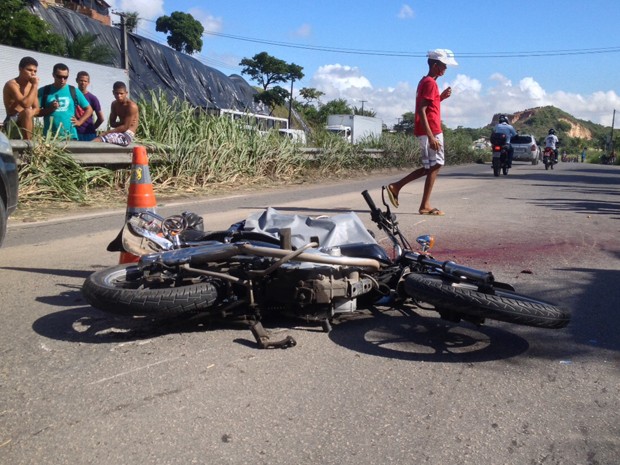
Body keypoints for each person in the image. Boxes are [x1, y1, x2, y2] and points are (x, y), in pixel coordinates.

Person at [384, 49, 458, 216]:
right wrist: (431, 136)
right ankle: (419, 201)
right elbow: (422, 110)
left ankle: (399, 188)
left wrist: (441, 97)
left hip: (428, 130)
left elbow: (428, 106)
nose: (445, 68)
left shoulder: (426, 81)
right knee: (435, 165)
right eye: (444, 65)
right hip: (430, 130)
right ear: (435, 65)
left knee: (430, 166)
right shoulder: (430, 83)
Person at [38, 63, 93, 140]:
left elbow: (89, 109)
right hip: (49, 137)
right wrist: (50, 109)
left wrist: (79, 122)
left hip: (70, 137)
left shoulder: (74, 91)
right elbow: (35, 112)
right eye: (59, 77)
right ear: (53, 75)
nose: (62, 80)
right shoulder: (44, 91)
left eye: (65, 77)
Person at [2, 56, 40, 140]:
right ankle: (28, 145)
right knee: (27, 111)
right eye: (29, 70)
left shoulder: (32, 87)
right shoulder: (12, 84)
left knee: (28, 112)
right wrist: (34, 85)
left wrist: (29, 114)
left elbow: (37, 109)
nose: (33, 73)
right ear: (20, 69)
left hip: (26, 121)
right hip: (12, 121)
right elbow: (25, 104)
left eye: (35, 71)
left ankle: (28, 147)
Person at [94, 81, 139, 147]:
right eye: (116, 93)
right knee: (98, 138)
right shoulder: (114, 104)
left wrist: (106, 133)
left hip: (128, 134)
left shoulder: (131, 106)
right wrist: (123, 123)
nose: (119, 96)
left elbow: (125, 128)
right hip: (119, 132)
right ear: (113, 93)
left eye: (121, 93)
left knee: (100, 139)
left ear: (126, 93)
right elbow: (112, 123)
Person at [75, 71, 104, 141]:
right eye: (81, 80)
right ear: (77, 80)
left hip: (88, 134)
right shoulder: (72, 95)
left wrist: (92, 128)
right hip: (74, 132)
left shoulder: (92, 98)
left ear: (88, 83)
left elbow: (101, 118)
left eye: (85, 81)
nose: (83, 83)